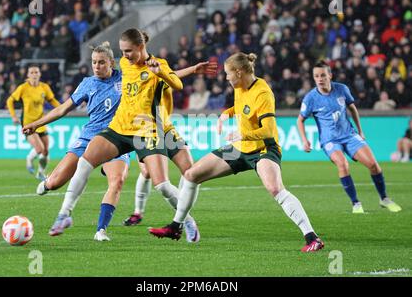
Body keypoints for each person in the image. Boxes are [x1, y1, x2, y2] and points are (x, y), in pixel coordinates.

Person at [149, 52, 325, 252]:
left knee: (276, 189)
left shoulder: (263, 93)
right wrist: (227, 114)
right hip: (240, 149)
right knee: (191, 175)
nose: (226, 78)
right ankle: (176, 227)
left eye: (227, 74)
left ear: (239, 72)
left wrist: (242, 134)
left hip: (263, 148)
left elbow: (267, 130)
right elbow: (243, 107)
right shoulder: (240, 86)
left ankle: (312, 238)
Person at [41, 28, 200, 242]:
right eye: (122, 51)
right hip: (119, 128)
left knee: (162, 185)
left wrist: (160, 72)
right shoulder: (125, 65)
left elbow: (177, 84)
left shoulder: (158, 64)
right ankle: (64, 214)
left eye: (128, 51)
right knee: (85, 161)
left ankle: (187, 221)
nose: (124, 56)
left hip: (146, 130)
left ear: (141, 47)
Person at [22, 42, 130, 241]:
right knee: (55, 183)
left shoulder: (125, 79)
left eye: (101, 63)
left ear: (111, 63)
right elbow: (63, 109)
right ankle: (47, 183)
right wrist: (36, 124)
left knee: (117, 181)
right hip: (88, 138)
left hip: (117, 138)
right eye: (94, 62)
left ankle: (101, 230)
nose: (96, 66)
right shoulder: (87, 83)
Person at [122, 61, 218, 243]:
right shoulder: (128, 70)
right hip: (143, 129)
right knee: (154, 178)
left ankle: (179, 220)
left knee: (192, 173)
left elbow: (171, 76)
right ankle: (186, 221)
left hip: (165, 127)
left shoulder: (156, 65)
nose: (128, 54)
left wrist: (193, 69)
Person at [297, 60, 402, 214]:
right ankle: (356, 203)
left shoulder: (342, 89)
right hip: (330, 140)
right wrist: (304, 140)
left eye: (323, 75)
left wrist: (360, 131)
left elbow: (352, 109)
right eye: (316, 76)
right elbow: (300, 119)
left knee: (373, 165)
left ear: (330, 76)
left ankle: (384, 198)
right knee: (343, 164)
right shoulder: (310, 98)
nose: (320, 79)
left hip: (349, 135)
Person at [6, 65, 60, 181]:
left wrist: (63, 108)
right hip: (28, 123)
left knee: (46, 151)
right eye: (32, 72)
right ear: (28, 75)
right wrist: (13, 116)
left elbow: (51, 100)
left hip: (40, 123)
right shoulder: (23, 88)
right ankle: (29, 159)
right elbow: (10, 100)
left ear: (40, 74)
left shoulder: (44, 87)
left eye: (36, 72)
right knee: (40, 149)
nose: (34, 74)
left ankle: (40, 173)